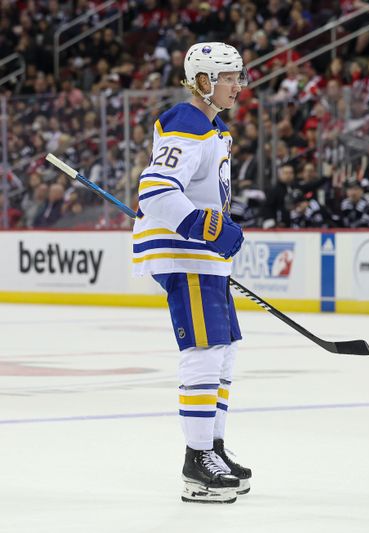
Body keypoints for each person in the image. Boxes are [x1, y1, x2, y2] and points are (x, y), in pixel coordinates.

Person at [131, 42, 252, 504]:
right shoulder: (188, 120)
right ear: (203, 81)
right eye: (228, 77)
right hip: (187, 255)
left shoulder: (212, 128)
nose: (237, 85)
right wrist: (206, 225)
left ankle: (213, 448)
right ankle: (197, 460)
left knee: (223, 352)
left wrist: (211, 229)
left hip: (203, 257)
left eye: (239, 76)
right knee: (204, 351)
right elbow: (157, 190)